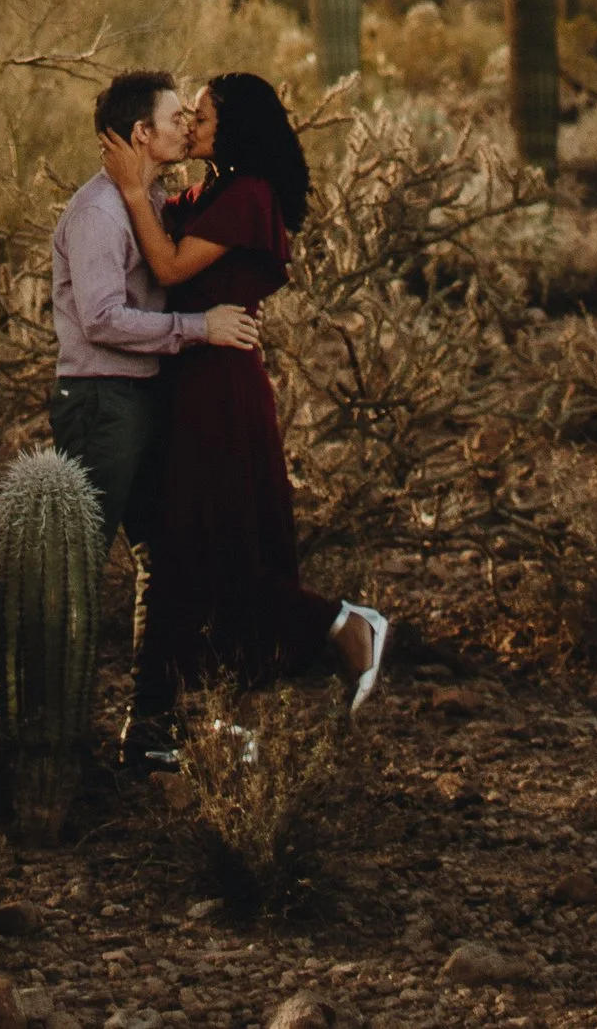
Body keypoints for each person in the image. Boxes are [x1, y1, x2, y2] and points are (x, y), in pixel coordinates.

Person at [102, 69, 389, 717]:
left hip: (219, 389)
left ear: (233, 126)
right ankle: (191, 718)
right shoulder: (214, 190)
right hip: (189, 380)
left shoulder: (249, 196)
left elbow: (169, 265)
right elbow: (157, 235)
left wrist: (130, 187)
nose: (191, 125)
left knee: (216, 548)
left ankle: (344, 624)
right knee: (190, 550)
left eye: (202, 116)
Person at [50, 68, 264, 769]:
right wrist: (199, 330)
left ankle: (149, 731)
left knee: (165, 561)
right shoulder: (97, 213)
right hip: (100, 402)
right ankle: (50, 741)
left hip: (145, 398)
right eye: (175, 118)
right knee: (75, 567)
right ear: (141, 133)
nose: (186, 127)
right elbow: (102, 320)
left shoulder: (153, 203)